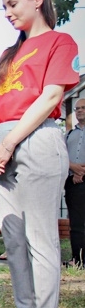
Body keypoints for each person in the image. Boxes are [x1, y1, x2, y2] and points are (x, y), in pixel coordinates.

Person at [0, 0, 80, 308]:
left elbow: (51, 94)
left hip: (37, 138)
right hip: (2, 144)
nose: (7, 13)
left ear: (37, 0)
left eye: (12, 4)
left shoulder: (60, 41)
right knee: (14, 238)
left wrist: (10, 143)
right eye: (4, 7)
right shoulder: (10, 53)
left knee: (40, 235)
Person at [65, 98, 85, 269]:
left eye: (83, 108)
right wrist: (74, 168)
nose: (79, 111)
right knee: (76, 223)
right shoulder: (69, 134)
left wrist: (82, 172)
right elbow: (61, 157)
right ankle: (77, 260)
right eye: (77, 108)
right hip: (73, 182)